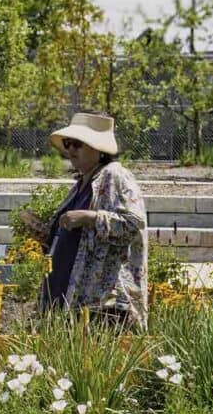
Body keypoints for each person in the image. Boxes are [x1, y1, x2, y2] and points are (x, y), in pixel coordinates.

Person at [18, 112, 149, 328]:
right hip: (71, 299)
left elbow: (133, 225)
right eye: (68, 144)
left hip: (104, 303)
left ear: (98, 149)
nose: (70, 150)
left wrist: (90, 217)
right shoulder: (83, 183)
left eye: (77, 144)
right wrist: (47, 235)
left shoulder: (114, 175)